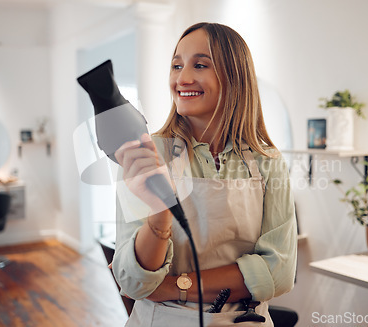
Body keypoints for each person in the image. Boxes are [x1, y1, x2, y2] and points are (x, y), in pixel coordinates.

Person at [111, 22, 297, 327]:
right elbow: (135, 283)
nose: (182, 78)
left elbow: (279, 272)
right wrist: (160, 216)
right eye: (176, 65)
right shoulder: (147, 156)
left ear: (235, 76)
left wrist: (175, 286)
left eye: (200, 65)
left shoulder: (268, 162)